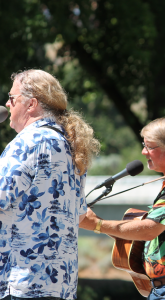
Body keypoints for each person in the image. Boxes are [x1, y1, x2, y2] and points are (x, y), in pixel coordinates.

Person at [80, 117, 165, 300]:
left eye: (150, 146)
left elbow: (150, 230)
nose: (143, 152)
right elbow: (150, 234)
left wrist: (97, 225)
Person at [0, 70, 100, 300]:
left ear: (31, 104)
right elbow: (79, 215)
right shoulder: (70, 146)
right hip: (60, 285)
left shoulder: (28, 142)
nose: (7, 104)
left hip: (22, 283)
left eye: (12, 98)